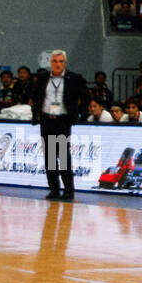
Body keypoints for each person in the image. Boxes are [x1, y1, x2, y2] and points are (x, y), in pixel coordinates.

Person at [31, 50, 90, 201]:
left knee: (63, 156)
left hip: (63, 121)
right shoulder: (43, 78)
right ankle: (54, 190)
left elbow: (86, 96)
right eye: (55, 61)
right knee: (50, 158)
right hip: (46, 120)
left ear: (65, 63)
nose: (58, 64)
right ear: (51, 63)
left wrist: (80, 114)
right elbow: (35, 96)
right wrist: (36, 113)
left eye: (61, 61)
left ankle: (69, 191)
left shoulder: (74, 78)